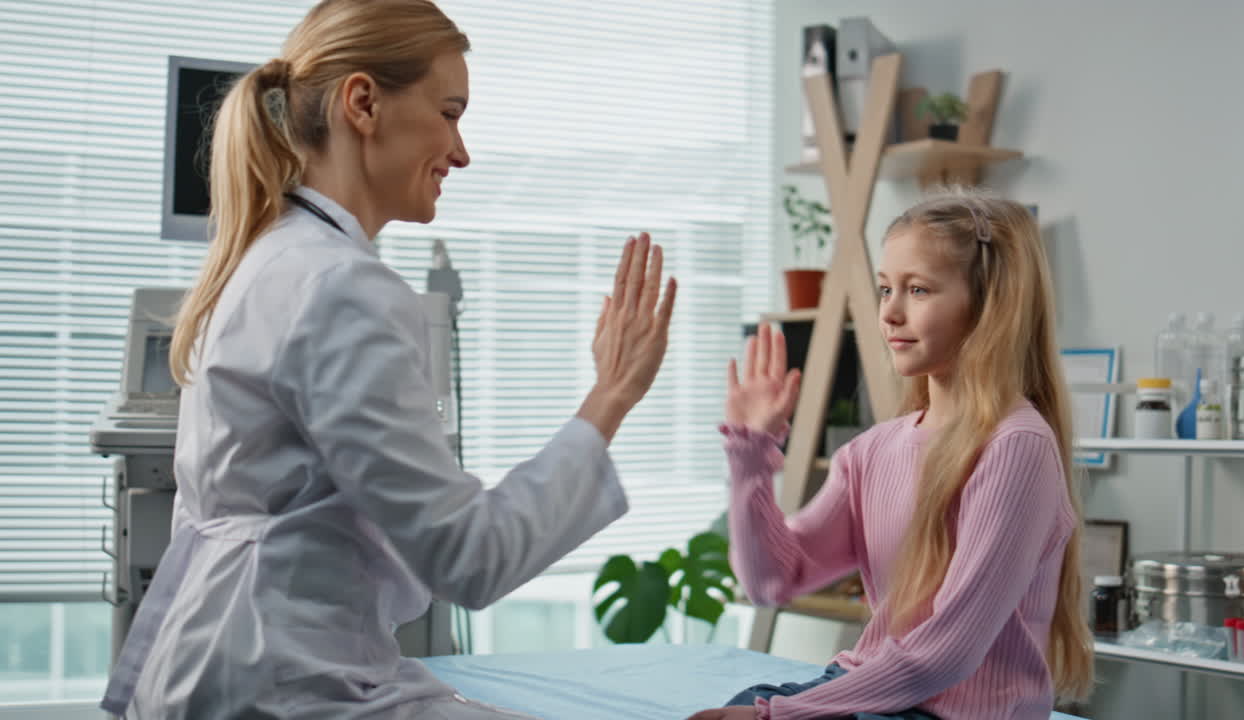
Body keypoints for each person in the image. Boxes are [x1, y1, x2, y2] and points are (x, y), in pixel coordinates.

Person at [99, 1, 676, 717]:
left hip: (224, 667)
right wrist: (612, 395)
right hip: (279, 683)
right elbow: (469, 557)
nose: (461, 152)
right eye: (449, 112)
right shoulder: (341, 287)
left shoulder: (265, 260)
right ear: (364, 103)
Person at [688, 189, 1092, 720]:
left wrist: (778, 717)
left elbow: (947, 653)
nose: (890, 313)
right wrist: (750, 453)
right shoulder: (873, 451)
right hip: (878, 693)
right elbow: (770, 582)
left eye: (918, 289)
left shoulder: (1017, 447)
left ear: (989, 306)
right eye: (885, 289)